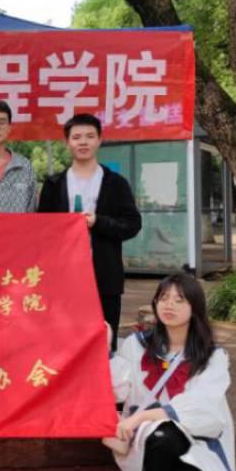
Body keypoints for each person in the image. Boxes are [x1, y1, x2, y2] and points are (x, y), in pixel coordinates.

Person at [103, 273, 236, 471]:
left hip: (195, 439)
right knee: (164, 435)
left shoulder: (212, 356)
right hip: (146, 436)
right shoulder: (136, 345)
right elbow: (117, 389)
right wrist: (105, 350)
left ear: (195, 307)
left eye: (179, 299)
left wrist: (140, 417)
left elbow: (200, 407)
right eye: (163, 298)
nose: (169, 305)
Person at [38, 113, 141, 350]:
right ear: (67, 142)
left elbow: (132, 224)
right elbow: (42, 230)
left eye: (89, 136)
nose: (83, 142)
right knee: (63, 342)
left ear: (99, 140)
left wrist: (98, 222)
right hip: (63, 278)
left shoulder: (115, 183)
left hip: (105, 277)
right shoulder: (54, 184)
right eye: (76, 137)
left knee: (104, 343)